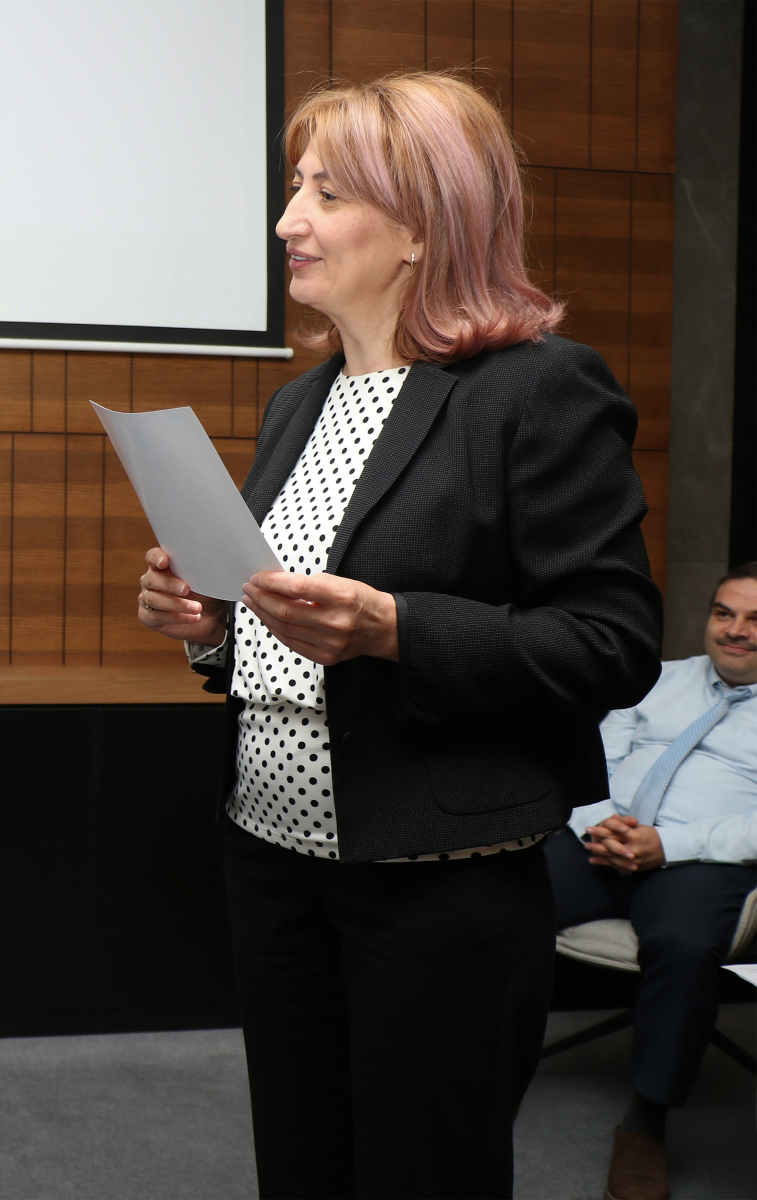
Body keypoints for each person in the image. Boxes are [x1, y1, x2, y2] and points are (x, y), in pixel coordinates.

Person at [135, 73, 662, 1198]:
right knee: (303, 1166)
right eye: (295, 188)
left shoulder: (537, 390)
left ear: (424, 224)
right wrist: (208, 628)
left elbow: (610, 641)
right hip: (272, 863)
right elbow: (279, 623)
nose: (289, 219)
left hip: (437, 890)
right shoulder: (300, 404)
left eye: (327, 194)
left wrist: (396, 629)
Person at [547, 564, 757, 1200]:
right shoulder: (658, 678)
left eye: (756, 621)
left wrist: (672, 845)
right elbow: (595, 759)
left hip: (704, 861)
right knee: (497, 898)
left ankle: (646, 1120)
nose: (736, 631)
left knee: (684, 944)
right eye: (724, 613)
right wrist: (600, 822)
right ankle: (466, 1064)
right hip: (605, 839)